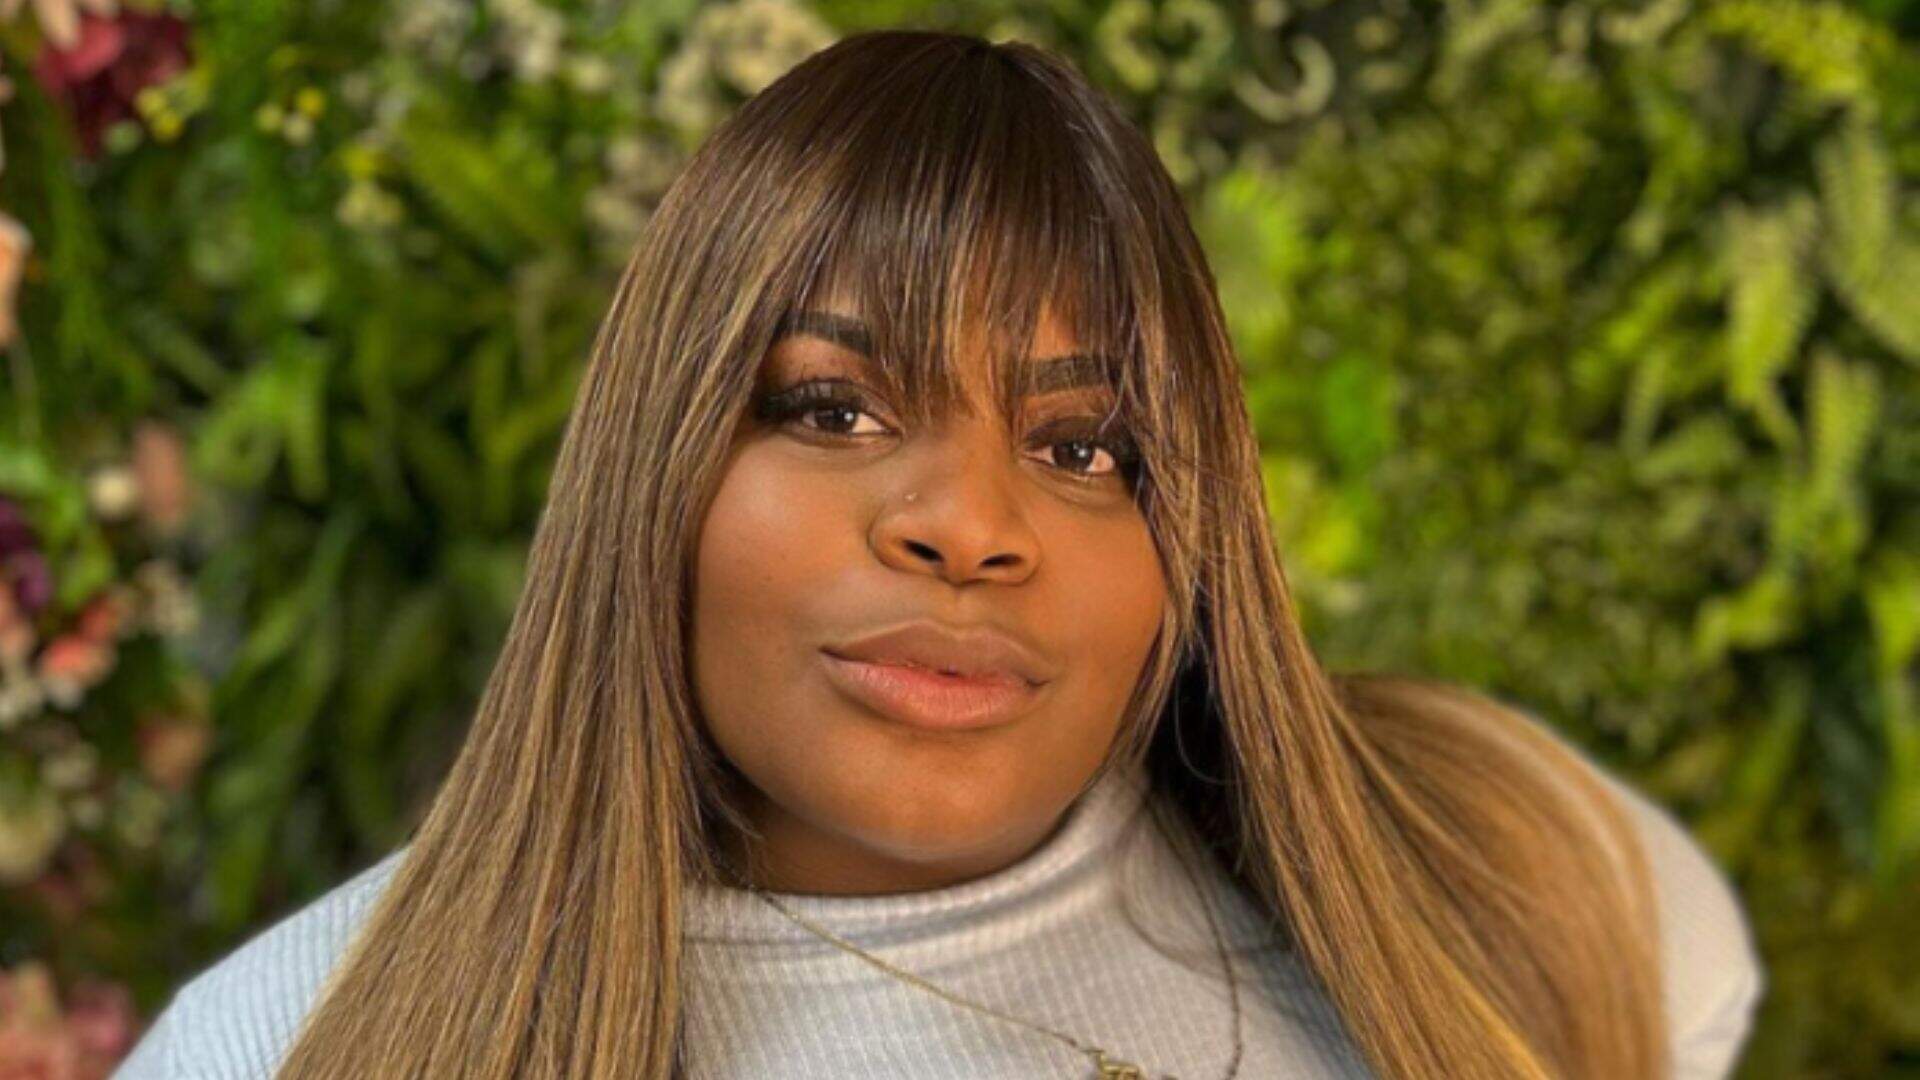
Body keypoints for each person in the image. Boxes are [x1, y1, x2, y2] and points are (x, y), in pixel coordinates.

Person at [111, 28, 1764, 1080]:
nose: (968, 527)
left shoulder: (1512, 865)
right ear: (650, 467)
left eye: (1085, 449)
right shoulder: (288, 1043)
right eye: (831, 408)